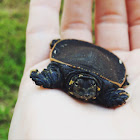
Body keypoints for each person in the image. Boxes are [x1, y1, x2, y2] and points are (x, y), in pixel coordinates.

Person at [8, 0, 140, 139]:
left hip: (102, 66)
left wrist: (112, 96)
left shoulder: (104, 87)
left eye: (90, 87)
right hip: (73, 58)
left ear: (97, 88)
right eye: (79, 85)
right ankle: (58, 45)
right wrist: (47, 79)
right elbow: (55, 71)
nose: (85, 90)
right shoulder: (63, 71)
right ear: (72, 82)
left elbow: (111, 91)